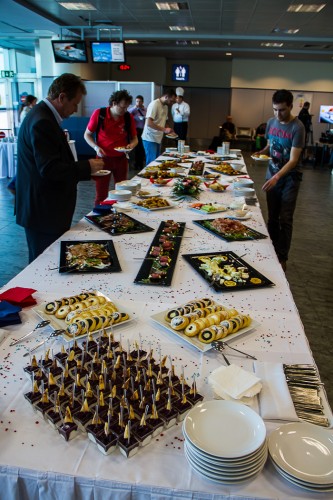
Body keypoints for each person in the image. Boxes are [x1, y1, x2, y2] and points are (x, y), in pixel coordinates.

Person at [15, 73, 104, 263]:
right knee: (44, 264)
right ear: (62, 97)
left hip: (45, 209)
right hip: (43, 211)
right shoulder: (42, 121)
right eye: (75, 103)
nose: (75, 109)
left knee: (50, 261)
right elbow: (50, 169)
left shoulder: (43, 116)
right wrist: (86, 167)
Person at [258, 89, 305, 271]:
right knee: (272, 218)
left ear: (291, 106)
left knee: (285, 218)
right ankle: (271, 252)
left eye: (282, 110)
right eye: (275, 110)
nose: (278, 114)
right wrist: (261, 152)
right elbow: (270, 146)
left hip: (289, 179)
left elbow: (293, 160)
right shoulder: (271, 123)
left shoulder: (297, 127)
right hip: (273, 175)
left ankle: (282, 257)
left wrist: (277, 176)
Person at [84, 90, 138, 206]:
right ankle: (99, 218)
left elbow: (135, 138)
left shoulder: (128, 117)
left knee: (122, 192)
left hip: (121, 159)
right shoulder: (100, 114)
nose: (125, 111)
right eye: (123, 107)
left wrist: (131, 146)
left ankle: (119, 217)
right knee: (101, 194)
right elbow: (87, 134)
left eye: (127, 108)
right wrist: (96, 148)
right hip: (102, 160)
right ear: (114, 103)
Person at [142, 89, 177, 165]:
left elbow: (164, 121)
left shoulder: (165, 107)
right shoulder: (154, 104)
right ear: (166, 97)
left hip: (158, 138)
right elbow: (149, 123)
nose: (172, 103)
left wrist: (170, 130)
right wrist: (164, 130)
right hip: (150, 138)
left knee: (156, 162)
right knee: (151, 163)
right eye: (172, 101)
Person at [128, 95, 146, 170]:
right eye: (137, 101)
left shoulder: (145, 110)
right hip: (135, 130)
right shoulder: (133, 110)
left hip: (143, 130)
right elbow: (127, 115)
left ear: (142, 102)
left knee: (141, 147)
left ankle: (140, 164)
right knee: (135, 147)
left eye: (139, 101)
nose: (138, 103)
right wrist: (135, 108)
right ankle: (134, 164)